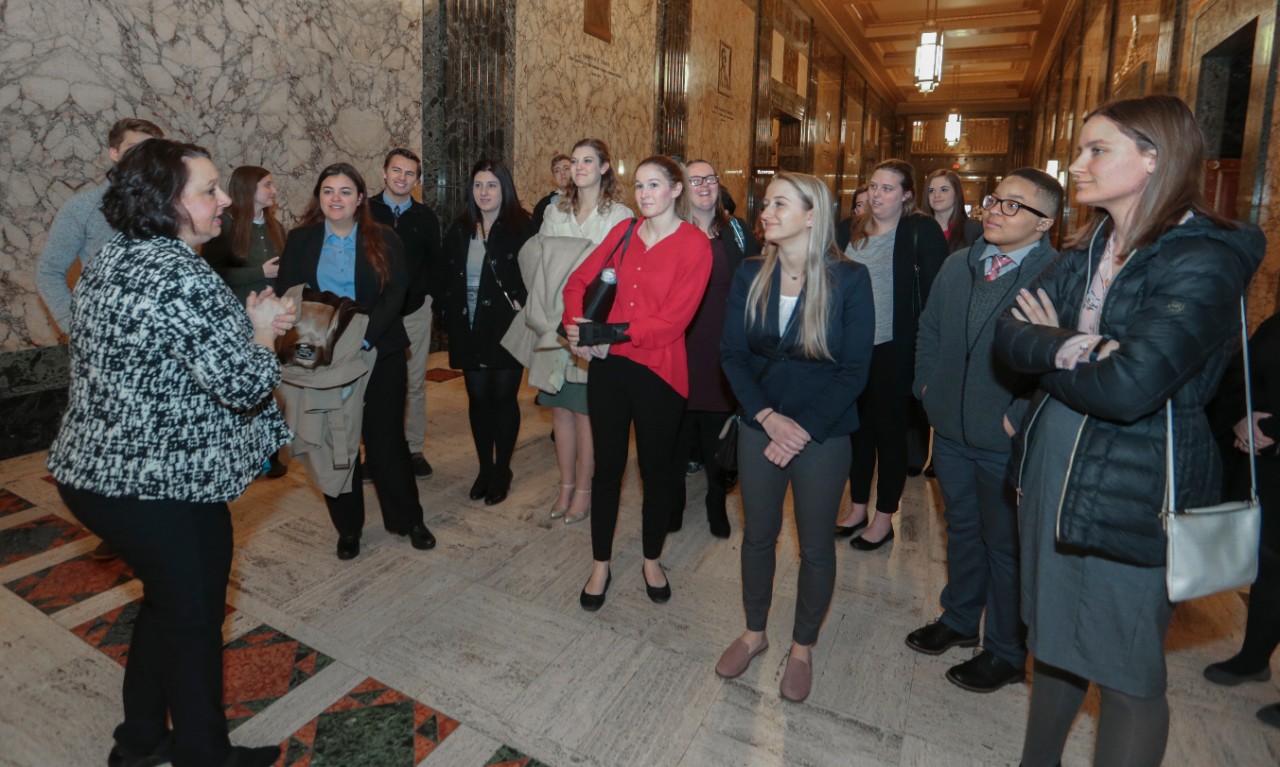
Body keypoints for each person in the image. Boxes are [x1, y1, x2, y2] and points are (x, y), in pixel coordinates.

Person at [994, 95, 1263, 767]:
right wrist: (1080, 347)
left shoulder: (1201, 257)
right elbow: (1009, 335)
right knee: (1053, 641)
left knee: (1125, 669)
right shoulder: (1093, 245)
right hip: (1055, 466)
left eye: (1096, 149)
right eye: (1079, 149)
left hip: (1131, 484)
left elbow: (1131, 388)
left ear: (1152, 158)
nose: (1077, 163)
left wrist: (1053, 344)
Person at [47, 138, 292, 767]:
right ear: (165, 202)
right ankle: (204, 757)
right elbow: (240, 384)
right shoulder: (180, 270)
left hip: (95, 475)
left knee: (164, 604)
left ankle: (139, 741)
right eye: (208, 191)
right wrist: (262, 334)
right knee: (193, 621)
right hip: (162, 484)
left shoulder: (116, 256)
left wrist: (239, 325)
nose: (222, 201)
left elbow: (175, 352)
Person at [716, 171, 874, 703]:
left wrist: (801, 427)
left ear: (813, 214)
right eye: (766, 203)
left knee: (814, 546)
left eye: (780, 203)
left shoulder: (850, 279)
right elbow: (733, 355)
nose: (766, 211)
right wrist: (765, 416)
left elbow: (855, 371)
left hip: (823, 433)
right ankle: (755, 632)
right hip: (761, 425)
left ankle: (802, 647)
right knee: (758, 536)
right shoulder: (750, 272)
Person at [909, 168, 1063, 694]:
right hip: (949, 430)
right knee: (962, 530)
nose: (995, 210)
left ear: (1045, 223)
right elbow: (928, 329)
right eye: (995, 200)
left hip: (1005, 442)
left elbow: (1058, 360)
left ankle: (1003, 648)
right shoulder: (960, 264)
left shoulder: (1054, 277)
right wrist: (926, 388)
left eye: (1013, 206)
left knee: (1005, 545)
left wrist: (1017, 416)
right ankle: (957, 619)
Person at [563, 155, 711, 611]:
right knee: (607, 469)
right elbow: (577, 281)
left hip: (660, 374)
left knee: (656, 471)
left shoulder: (695, 245)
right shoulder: (623, 232)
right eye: (639, 186)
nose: (644, 194)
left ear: (675, 190)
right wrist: (576, 325)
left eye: (654, 186)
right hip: (610, 369)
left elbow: (671, 324)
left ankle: (651, 558)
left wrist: (606, 333)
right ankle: (601, 562)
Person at [277, 163, 435, 560]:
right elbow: (288, 292)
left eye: (345, 191)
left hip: (378, 347)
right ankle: (349, 529)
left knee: (386, 441)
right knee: (334, 441)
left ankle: (408, 519)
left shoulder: (382, 237)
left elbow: (396, 291)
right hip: (323, 355)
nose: (336, 199)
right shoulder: (301, 239)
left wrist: (364, 337)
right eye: (328, 191)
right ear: (319, 197)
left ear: (360, 198)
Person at [36, 116, 164, 562]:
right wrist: (77, 327)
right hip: (104, 351)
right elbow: (49, 272)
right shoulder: (84, 207)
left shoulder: (169, 205)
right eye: (133, 149)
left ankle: (158, 517)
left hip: (158, 349)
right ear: (113, 153)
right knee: (111, 439)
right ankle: (118, 525)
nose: (143, 158)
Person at [834, 159, 948, 550]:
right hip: (851, 350)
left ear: (906, 196)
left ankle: (884, 518)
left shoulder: (920, 231)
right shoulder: (852, 231)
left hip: (894, 350)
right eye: (874, 186)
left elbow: (936, 298)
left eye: (887, 188)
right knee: (857, 433)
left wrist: (930, 357)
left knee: (890, 437)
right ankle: (858, 507)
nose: (877, 194)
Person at [532, 138, 633, 524]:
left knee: (586, 410)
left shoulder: (620, 215)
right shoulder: (555, 210)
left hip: (593, 321)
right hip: (554, 320)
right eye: (575, 161)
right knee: (559, 407)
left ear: (605, 166)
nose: (579, 167)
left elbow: (620, 273)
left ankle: (585, 491)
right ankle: (565, 485)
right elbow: (542, 260)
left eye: (588, 160)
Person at [669, 158, 759, 538]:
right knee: (674, 431)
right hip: (678, 345)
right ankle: (670, 505)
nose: (704, 185)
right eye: (695, 180)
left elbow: (756, 282)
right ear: (681, 188)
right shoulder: (670, 229)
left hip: (723, 346)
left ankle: (715, 501)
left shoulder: (736, 231)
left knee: (717, 433)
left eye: (710, 178)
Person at [1202, 309, 1280, 728]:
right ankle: (1254, 658)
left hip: (1273, 447)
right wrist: (1239, 417)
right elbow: (1243, 374)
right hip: (1265, 466)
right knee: (1267, 563)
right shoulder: (1277, 323)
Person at [441, 159, 533, 505]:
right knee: (478, 400)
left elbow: (536, 271)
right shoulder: (462, 226)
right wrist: (446, 311)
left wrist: (523, 302)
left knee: (503, 400)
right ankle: (484, 467)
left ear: (504, 188)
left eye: (491, 185)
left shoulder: (521, 225)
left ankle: (502, 469)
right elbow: (446, 270)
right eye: (478, 185)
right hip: (469, 326)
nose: (484, 192)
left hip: (507, 328)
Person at [201, 165, 290, 479]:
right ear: (248, 188)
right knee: (244, 391)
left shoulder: (276, 227)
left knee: (269, 389)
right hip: (237, 324)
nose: (273, 190)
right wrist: (258, 274)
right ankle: (242, 453)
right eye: (267, 184)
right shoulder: (223, 226)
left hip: (273, 324)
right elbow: (211, 274)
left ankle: (270, 452)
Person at [368, 148, 443, 479]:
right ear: (384, 172)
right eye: (396, 170)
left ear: (417, 180)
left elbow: (434, 262)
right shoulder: (365, 211)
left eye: (409, 173)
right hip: (372, 314)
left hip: (413, 311)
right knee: (372, 384)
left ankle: (413, 450)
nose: (402, 177)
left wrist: (429, 299)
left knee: (413, 383)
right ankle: (374, 452)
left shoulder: (426, 217)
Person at [923, 169, 983, 254]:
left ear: (956, 193)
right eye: (931, 191)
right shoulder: (918, 230)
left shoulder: (975, 230)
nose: (936, 195)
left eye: (944, 190)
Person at [531, 153, 573, 230]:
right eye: (557, 171)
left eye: (566, 168)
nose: (562, 173)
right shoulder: (543, 205)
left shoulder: (586, 198)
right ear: (553, 178)